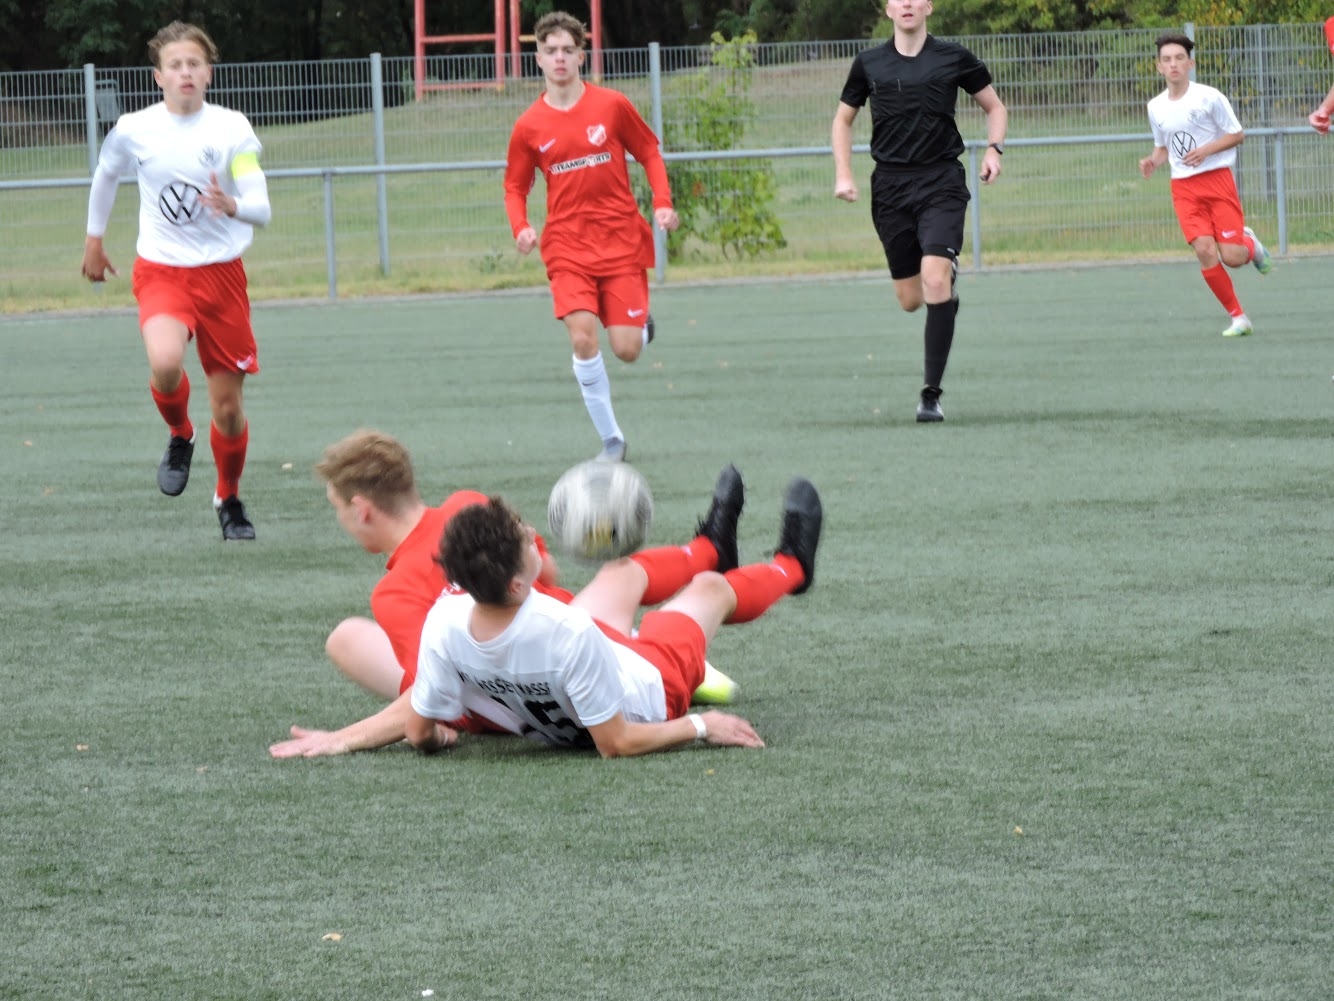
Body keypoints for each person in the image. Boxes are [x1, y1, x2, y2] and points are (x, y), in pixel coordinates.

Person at [270, 432, 745, 758]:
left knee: (349, 639)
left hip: (538, 686)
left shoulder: (425, 610)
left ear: (362, 509)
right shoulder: (469, 507)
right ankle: (754, 561)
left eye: (337, 509)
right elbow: (614, 741)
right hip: (586, 659)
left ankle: (731, 556)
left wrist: (344, 739)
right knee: (694, 586)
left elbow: (424, 707)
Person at [403, 472, 823, 758]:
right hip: (650, 686)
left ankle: (711, 550)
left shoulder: (445, 620)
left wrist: (437, 737)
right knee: (710, 590)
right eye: (525, 541)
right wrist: (701, 725)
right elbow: (616, 743)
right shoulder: (567, 632)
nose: (533, 535)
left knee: (621, 572)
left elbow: (418, 732)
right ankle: (794, 567)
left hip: (594, 661)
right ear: (516, 584)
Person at [81, 21, 271, 540]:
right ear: (157, 77)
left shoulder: (232, 129)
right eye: (175, 65)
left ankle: (228, 498)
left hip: (222, 278)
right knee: (165, 363)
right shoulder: (134, 128)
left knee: (229, 410)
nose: (185, 72)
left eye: (194, 64)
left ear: (208, 73)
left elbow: (262, 204)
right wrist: (94, 240)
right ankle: (180, 433)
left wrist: (235, 205)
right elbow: (105, 174)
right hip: (161, 271)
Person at [503, 10, 679, 462]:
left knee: (626, 350)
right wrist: (521, 227)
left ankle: (641, 328)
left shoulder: (612, 106)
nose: (559, 58)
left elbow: (649, 152)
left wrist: (662, 201)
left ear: (581, 55)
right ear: (538, 59)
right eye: (550, 51)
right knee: (583, 338)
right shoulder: (528, 126)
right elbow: (515, 185)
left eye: (567, 50)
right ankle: (612, 441)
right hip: (567, 248)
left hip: (619, 241)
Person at [832, 0, 1007, 424]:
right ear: (888, 9)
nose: (907, 4)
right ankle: (942, 278)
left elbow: (995, 108)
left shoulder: (954, 57)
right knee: (911, 300)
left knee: (933, 281)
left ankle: (930, 394)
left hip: (941, 182)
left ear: (928, 6)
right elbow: (843, 121)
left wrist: (994, 150)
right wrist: (844, 174)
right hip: (890, 189)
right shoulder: (868, 63)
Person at [1138, 32, 1272, 338]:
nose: (1173, 65)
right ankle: (1239, 318)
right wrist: (1152, 161)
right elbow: (1164, 147)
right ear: (1158, 66)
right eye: (1167, 59)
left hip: (1217, 181)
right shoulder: (1155, 107)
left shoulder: (1209, 97)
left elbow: (1237, 134)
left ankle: (1250, 245)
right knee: (1203, 249)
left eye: (1179, 58)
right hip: (1184, 188)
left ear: (1190, 63)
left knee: (1233, 257)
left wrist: (1206, 151)